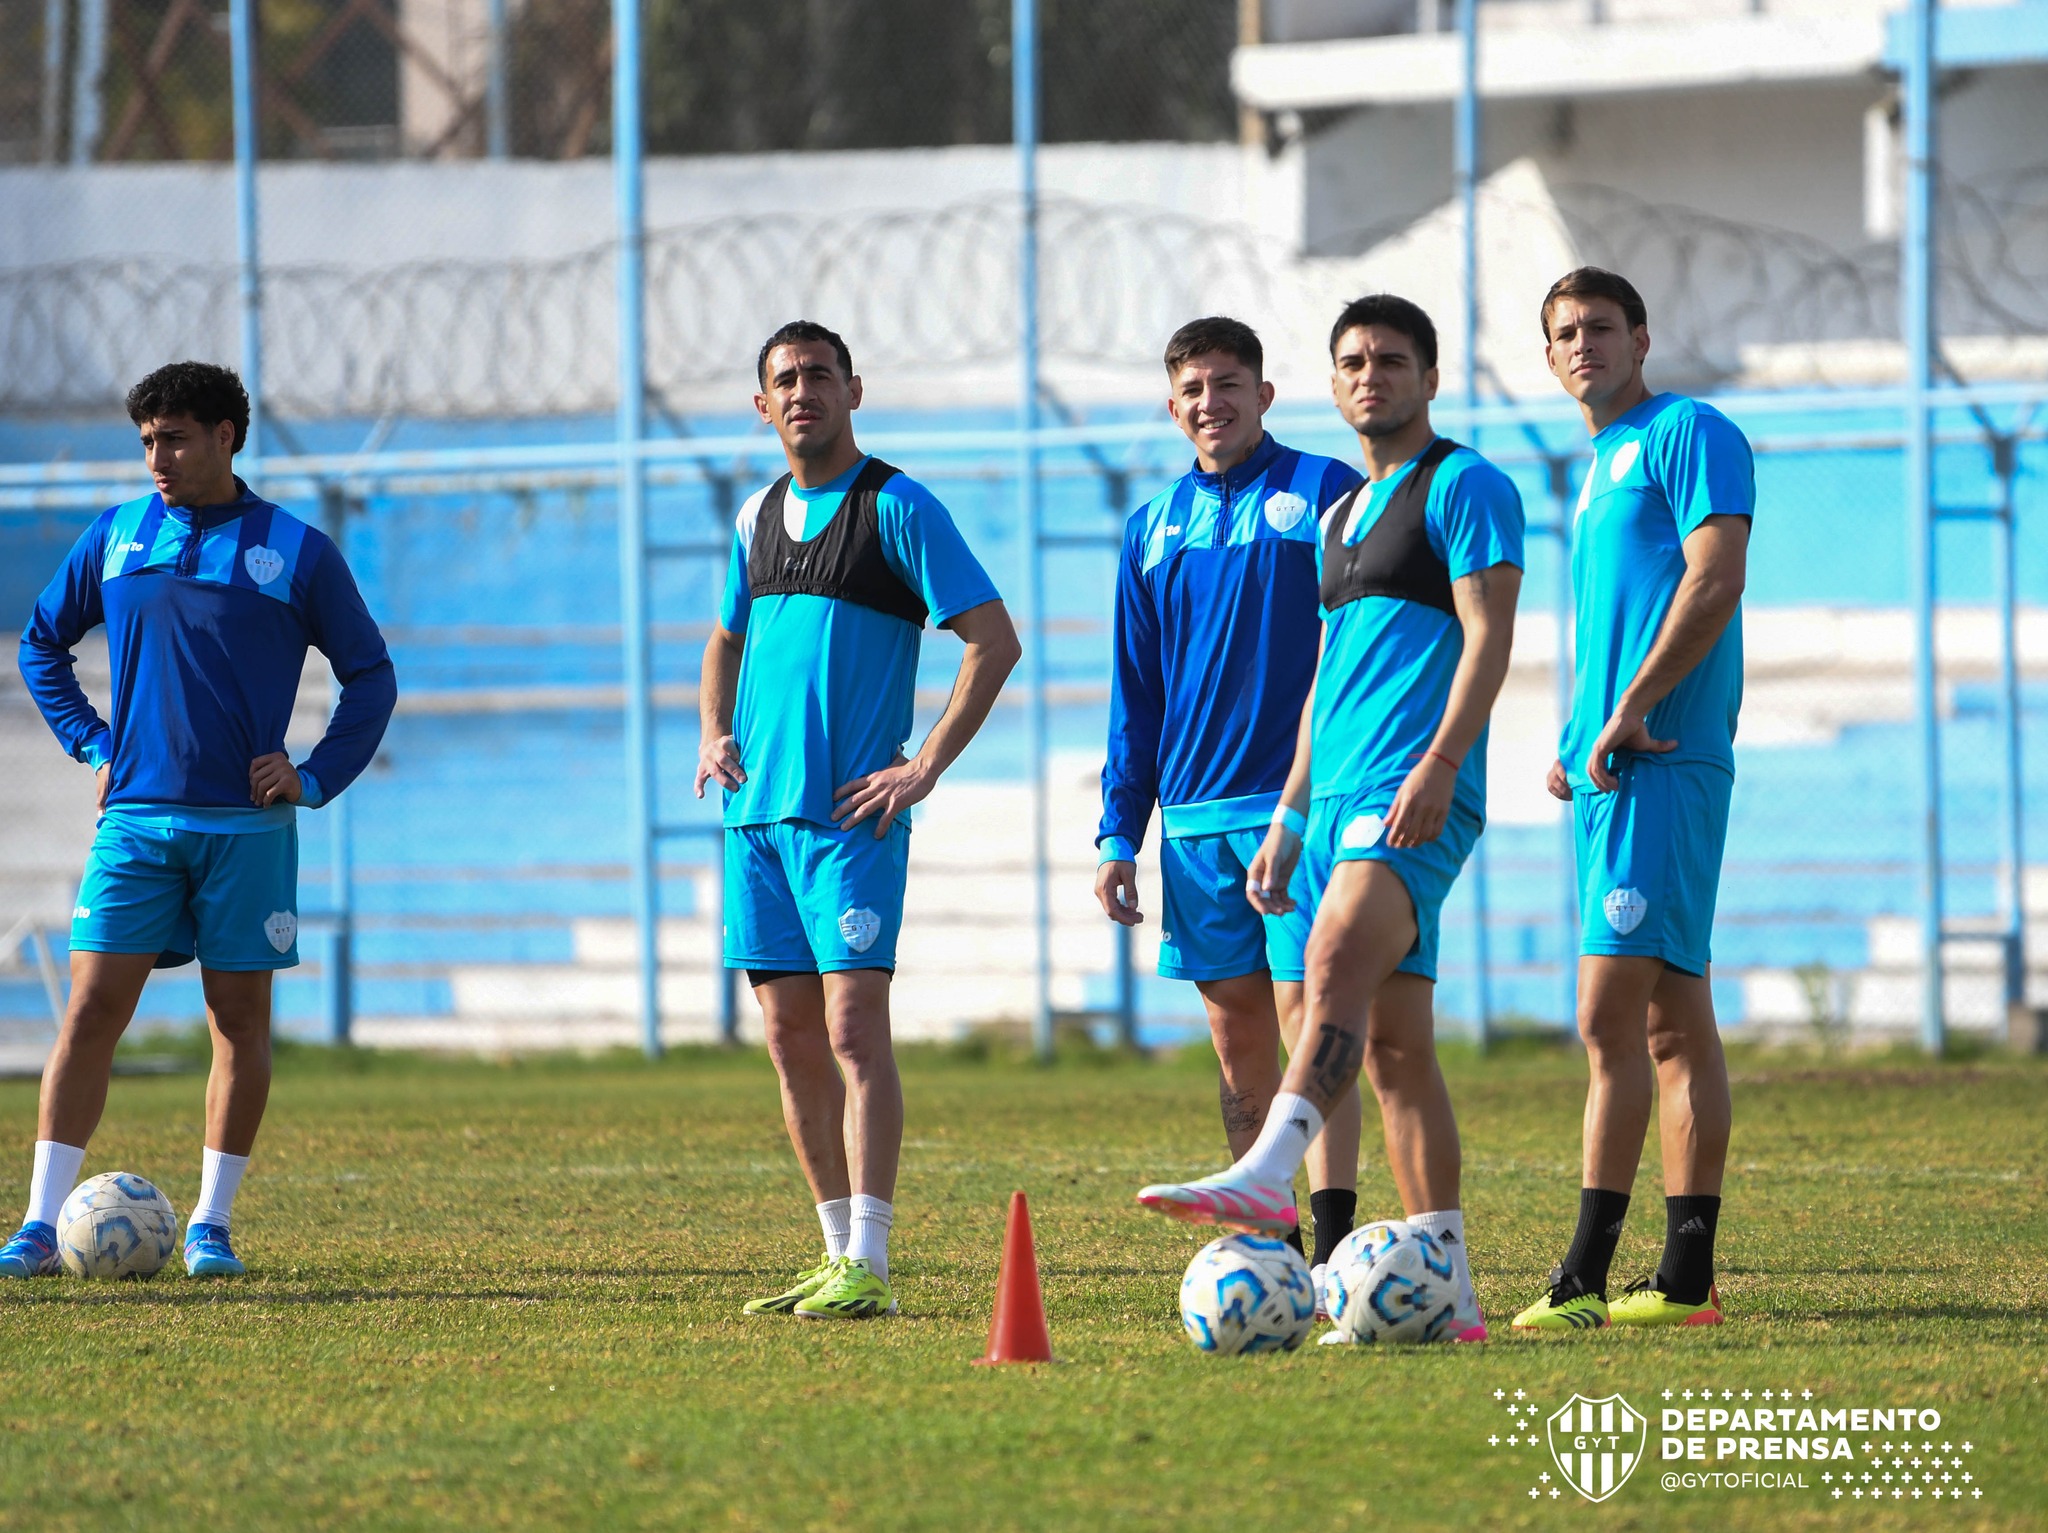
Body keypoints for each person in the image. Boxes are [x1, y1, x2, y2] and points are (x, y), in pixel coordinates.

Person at [1136, 295, 1524, 1345]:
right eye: (1351, 361)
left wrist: (1441, 761)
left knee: (1333, 962)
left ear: (1428, 378)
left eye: (1391, 361)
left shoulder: (1466, 484)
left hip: (1411, 786)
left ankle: (1269, 1179)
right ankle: (1450, 1289)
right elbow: (1323, 679)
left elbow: (1489, 636)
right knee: (1394, 1048)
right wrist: (1290, 815)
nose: (1369, 376)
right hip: (1333, 795)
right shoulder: (1345, 516)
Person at [3, 361, 397, 1280]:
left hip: (247, 831)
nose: (157, 458)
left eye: (174, 437)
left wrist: (312, 773)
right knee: (91, 1012)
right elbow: (41, 644)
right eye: (146, 440)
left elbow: (370, 675)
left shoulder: (294, 550)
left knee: (238, 1022)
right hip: (135, 820)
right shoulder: (117, 535)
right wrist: (94, 746)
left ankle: (211, 1224)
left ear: (227, 436)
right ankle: (35, 1221)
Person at [697, 321, 1019, 1321]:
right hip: (756, 820)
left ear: (853, 390)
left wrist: (921, 765)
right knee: (788, 1036)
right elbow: (723, 636)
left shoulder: (897, 507)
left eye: (819, 377)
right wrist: (712, 730)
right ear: (762, 405)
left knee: (848, 1027)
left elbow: (992, 641)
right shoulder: (753, 514)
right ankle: (834, 1252)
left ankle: (872, 1259)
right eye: (783, 381)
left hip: (848, 819)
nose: (802, 393)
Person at [1095, 316, 1365, 1282]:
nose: (1212, 403)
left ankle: (1336, 1251)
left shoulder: (1325, 492)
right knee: (1235, 1032)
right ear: (1174, 408)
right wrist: (1118, 830)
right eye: (1193, 390)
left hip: (1296, 808)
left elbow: (1363, 646)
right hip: (1194, 822)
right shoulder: (1150, 529)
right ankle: (1276, 1250)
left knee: (1308, 1020)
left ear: (1263, 394)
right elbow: (1137, 692)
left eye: (1228, 384)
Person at [1509, 268, 1753, 1333]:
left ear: (1640, 336)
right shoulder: (1593, 464)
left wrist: (1630, 711)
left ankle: (1581, 1281)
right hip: (1615, 765)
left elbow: (1712, 580)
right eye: (1561, 332)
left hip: (1663, 756)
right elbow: (1622, 615)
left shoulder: (1687, 431)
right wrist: (1580, 733)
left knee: (1606, 1016)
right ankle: (1686, 1278)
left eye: (1598, 327)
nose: (1579, 345)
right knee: (1667, 1020)